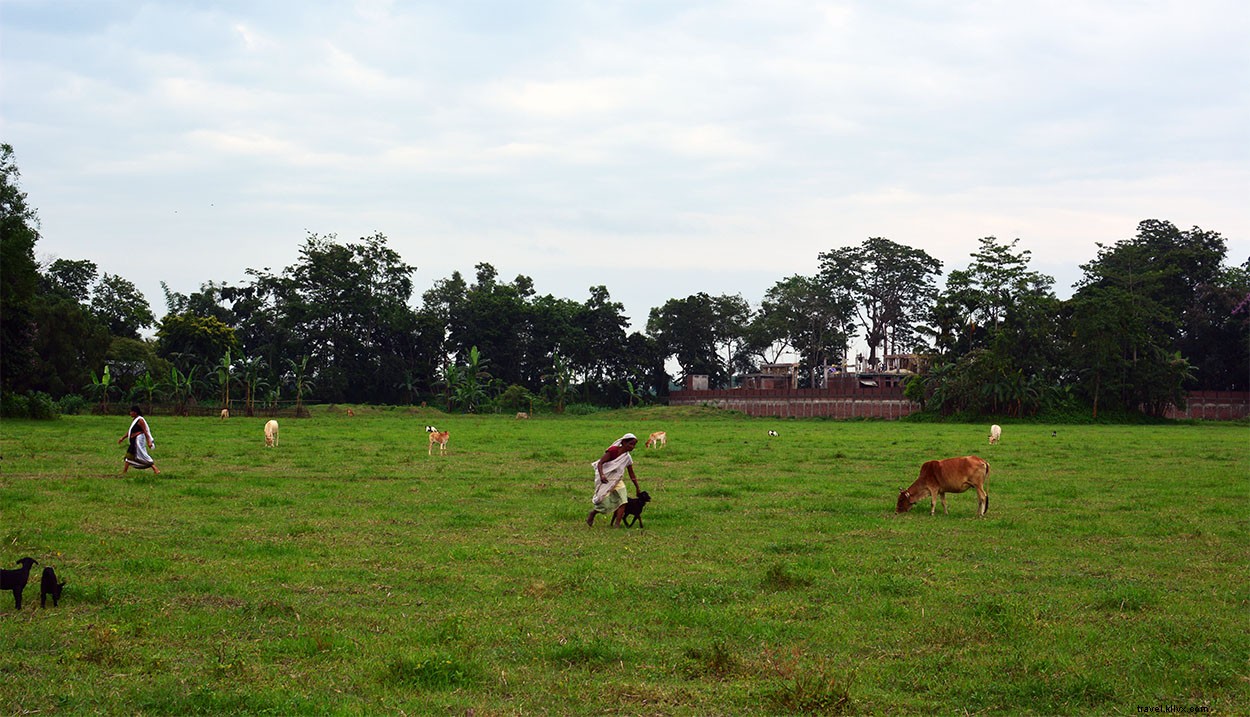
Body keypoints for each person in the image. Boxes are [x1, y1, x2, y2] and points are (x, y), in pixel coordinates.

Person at [587, 433, 642, 527]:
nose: (632, 447)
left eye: (634, 445)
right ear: (624, 442)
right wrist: (602, 475)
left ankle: (617, 524)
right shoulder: (613, 451)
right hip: (605, 479)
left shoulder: (627, 458)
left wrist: (637, 487)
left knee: (623, 501)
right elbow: (600, 463)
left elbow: (631, 473)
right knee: (603, 502)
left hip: (617, 480)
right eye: (630, 444)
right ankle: (593, 513)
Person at [118, 405, 160, 474]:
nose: (130, 413)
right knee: (129, 456)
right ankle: (124, 472)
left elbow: (145, 431)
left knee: (142, 454)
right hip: (133, 441)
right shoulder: (135, 420)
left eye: (132, 412)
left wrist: (149, 441)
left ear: (136, 412)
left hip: (138, 441)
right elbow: (130, 431)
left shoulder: (140, 420)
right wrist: (122, 438)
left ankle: (155, 469)